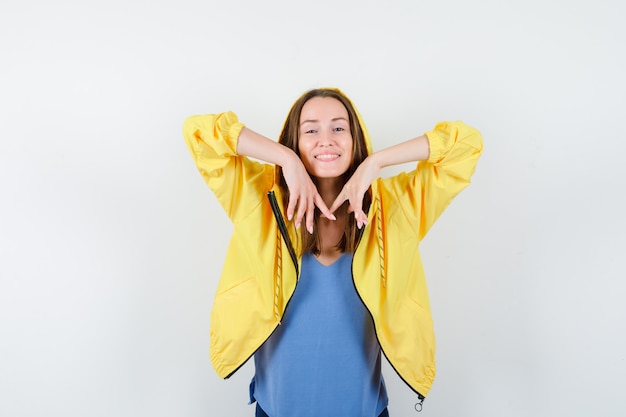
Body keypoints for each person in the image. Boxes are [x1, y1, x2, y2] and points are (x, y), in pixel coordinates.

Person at [182, 88, 483, 416]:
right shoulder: (257, 196)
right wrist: (284, 159)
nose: (326, 139)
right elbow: (200, 133)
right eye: (310, 130)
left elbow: (465, 145)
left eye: (339, 128)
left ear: (356, 138)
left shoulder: (397, 206)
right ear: (292, 140)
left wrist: (377, 161)